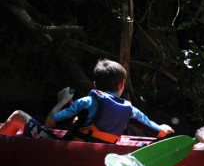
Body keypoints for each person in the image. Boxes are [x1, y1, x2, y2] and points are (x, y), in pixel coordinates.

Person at [0, 59, 174, 143]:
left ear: (95, 84)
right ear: (122, 85)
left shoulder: (86, 102)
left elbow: (50, 122)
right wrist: (164, 129)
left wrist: (62, 101)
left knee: (18, 116)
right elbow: (158, 132)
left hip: (64, 150)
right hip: (101, 154)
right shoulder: (130, 110)